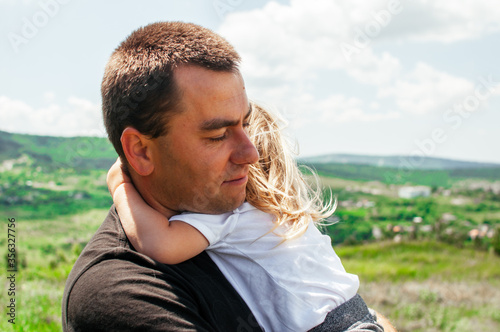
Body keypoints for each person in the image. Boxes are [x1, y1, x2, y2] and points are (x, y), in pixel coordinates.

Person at [62, 21, 396, 331]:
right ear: (140, 151)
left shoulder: (232, 213)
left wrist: (118, 183)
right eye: (217, 135)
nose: (250, 153)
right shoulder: (121, 292)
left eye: (245, 124)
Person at [107, 102, 385, 332]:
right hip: (362, 317)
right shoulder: (286, 215)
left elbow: (159, 243)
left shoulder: (231, 216)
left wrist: (120, 186)